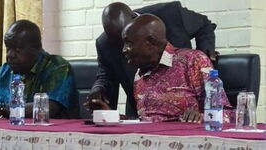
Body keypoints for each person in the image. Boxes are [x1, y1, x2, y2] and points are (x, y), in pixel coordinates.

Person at [86, 2, 217, 118]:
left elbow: (204, 25)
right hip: (141, 111)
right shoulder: (106, 43)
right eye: (119, 43)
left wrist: (203, 57)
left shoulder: (170, 13)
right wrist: (99, 92)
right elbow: (106, 77)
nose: (123, 49)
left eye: (128, 42)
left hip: (189, 114)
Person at [0, 20, 79, 119]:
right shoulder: (4, 71)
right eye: (8, 49)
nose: (10, 55)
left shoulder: (58, 67)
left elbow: (48, 108)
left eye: (17, 50)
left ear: (36, 49)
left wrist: (2, 109)